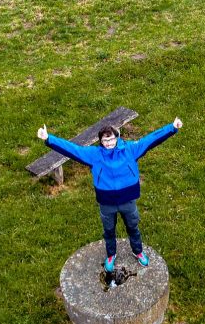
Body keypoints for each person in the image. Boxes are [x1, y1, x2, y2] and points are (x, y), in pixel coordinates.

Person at [37, 117, 182, 272]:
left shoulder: (131, 150)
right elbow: (72, 149)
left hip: (128, 201)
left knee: (133, 227)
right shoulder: (94, 154)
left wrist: (172, 127)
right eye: (105, 141)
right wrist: (48, 139)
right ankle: (111, 255)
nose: (109, 143)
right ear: (100, 141)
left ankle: (138, 251)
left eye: (111, 139)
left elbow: (151, 139)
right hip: (106, 203)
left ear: (117, 138)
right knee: (109, 231)